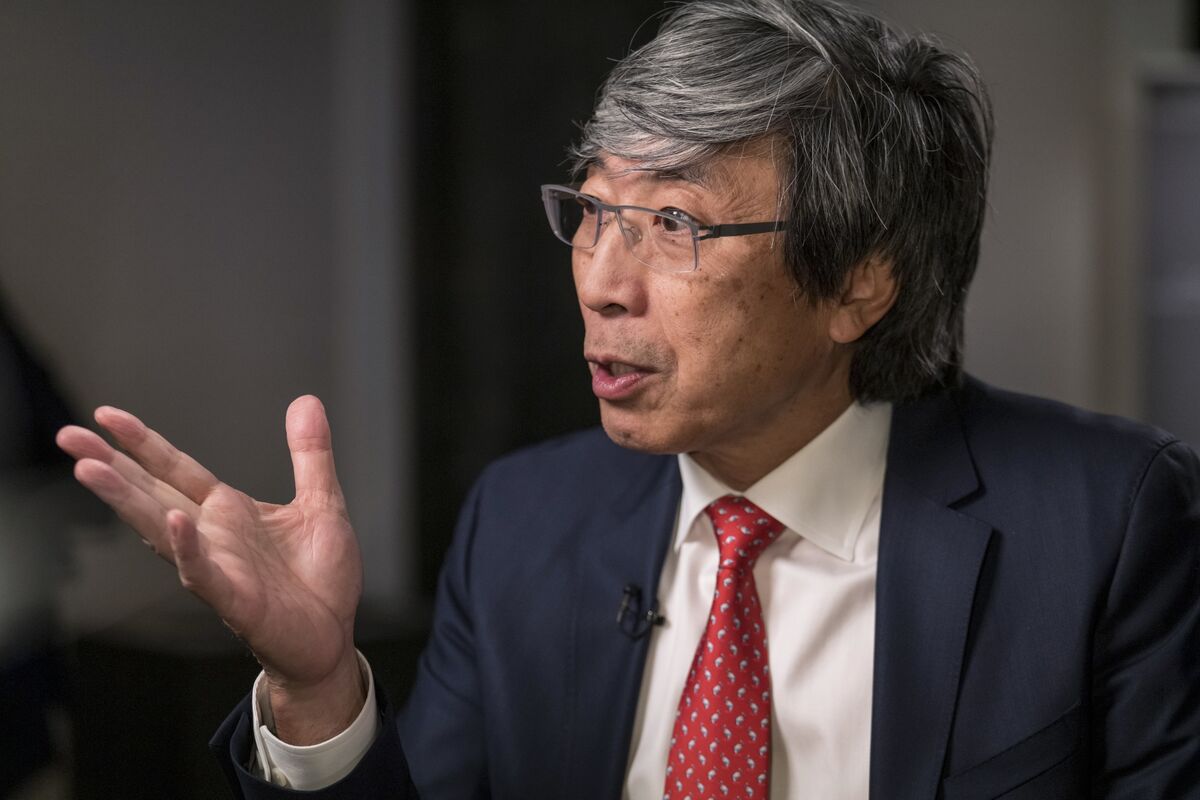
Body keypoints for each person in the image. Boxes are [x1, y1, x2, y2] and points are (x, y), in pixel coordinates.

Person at [56, 0, 1199, 797]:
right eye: (594, 211)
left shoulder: (1109, 523)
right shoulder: (524, 520)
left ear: (860, 281)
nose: (603, 281)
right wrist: (318, 687)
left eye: (676, 224)